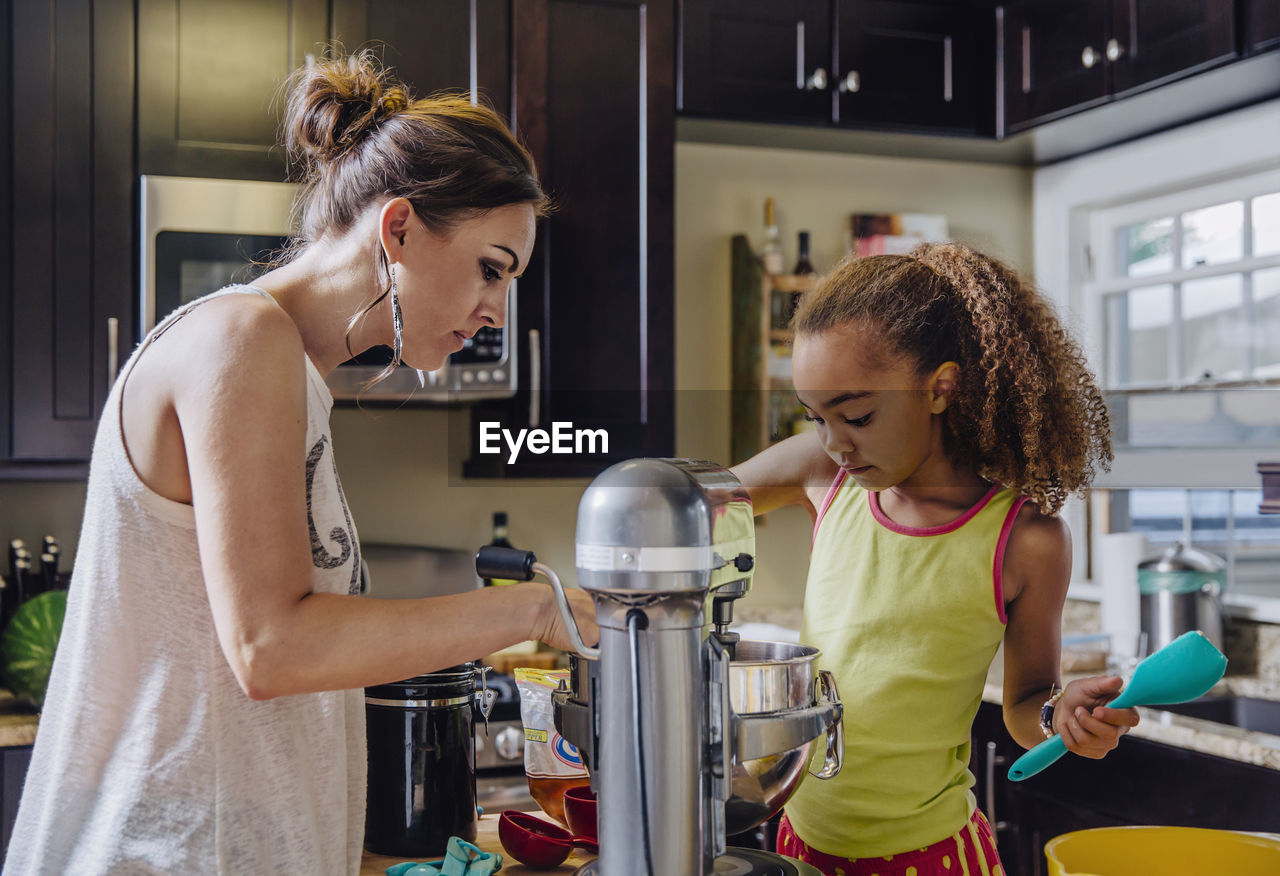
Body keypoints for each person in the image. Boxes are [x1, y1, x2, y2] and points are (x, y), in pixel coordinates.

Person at [5, 51, 597, 875]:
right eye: (491, 268)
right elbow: (273, 646)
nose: (498, 309)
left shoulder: (295, 373)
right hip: (166, 855)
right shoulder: (239, 342)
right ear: (398, 229)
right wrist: (534, 611)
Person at [732, 243, 1138, 876]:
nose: (836, 442)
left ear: (940, 388)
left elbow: (1028, 703)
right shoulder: (823, 476)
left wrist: (1063, 717)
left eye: (858, 415)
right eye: (816, 418)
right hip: (802, 843)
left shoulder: (1025, 538)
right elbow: (701, 499)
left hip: (929, 857)